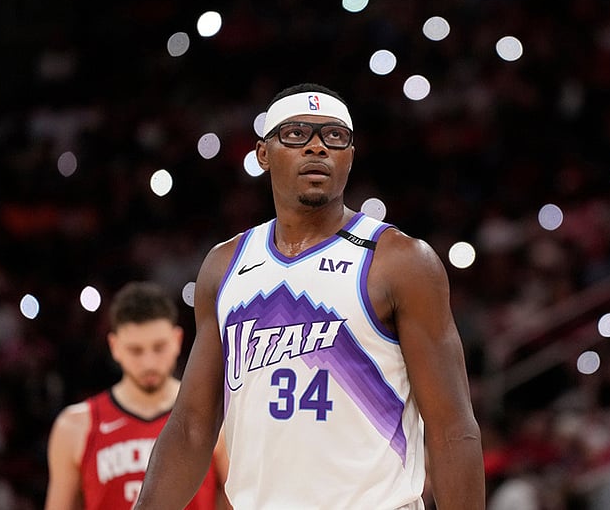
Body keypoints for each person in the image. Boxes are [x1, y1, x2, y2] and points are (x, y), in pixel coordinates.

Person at [134, 83, 485, 509]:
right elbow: (191, 426)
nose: (317, 147)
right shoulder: (224, 265)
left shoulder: (400, 261)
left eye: (334, 137)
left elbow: (453, 429)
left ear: (349, 157)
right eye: (297, 134)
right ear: (264, 154)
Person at [44, 281, 230, 510]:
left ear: (177, 340)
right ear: (115, 346)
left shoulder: (216, 419)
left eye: (159, 347)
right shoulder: (75, 426)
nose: (149, 362)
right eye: (136, 350)